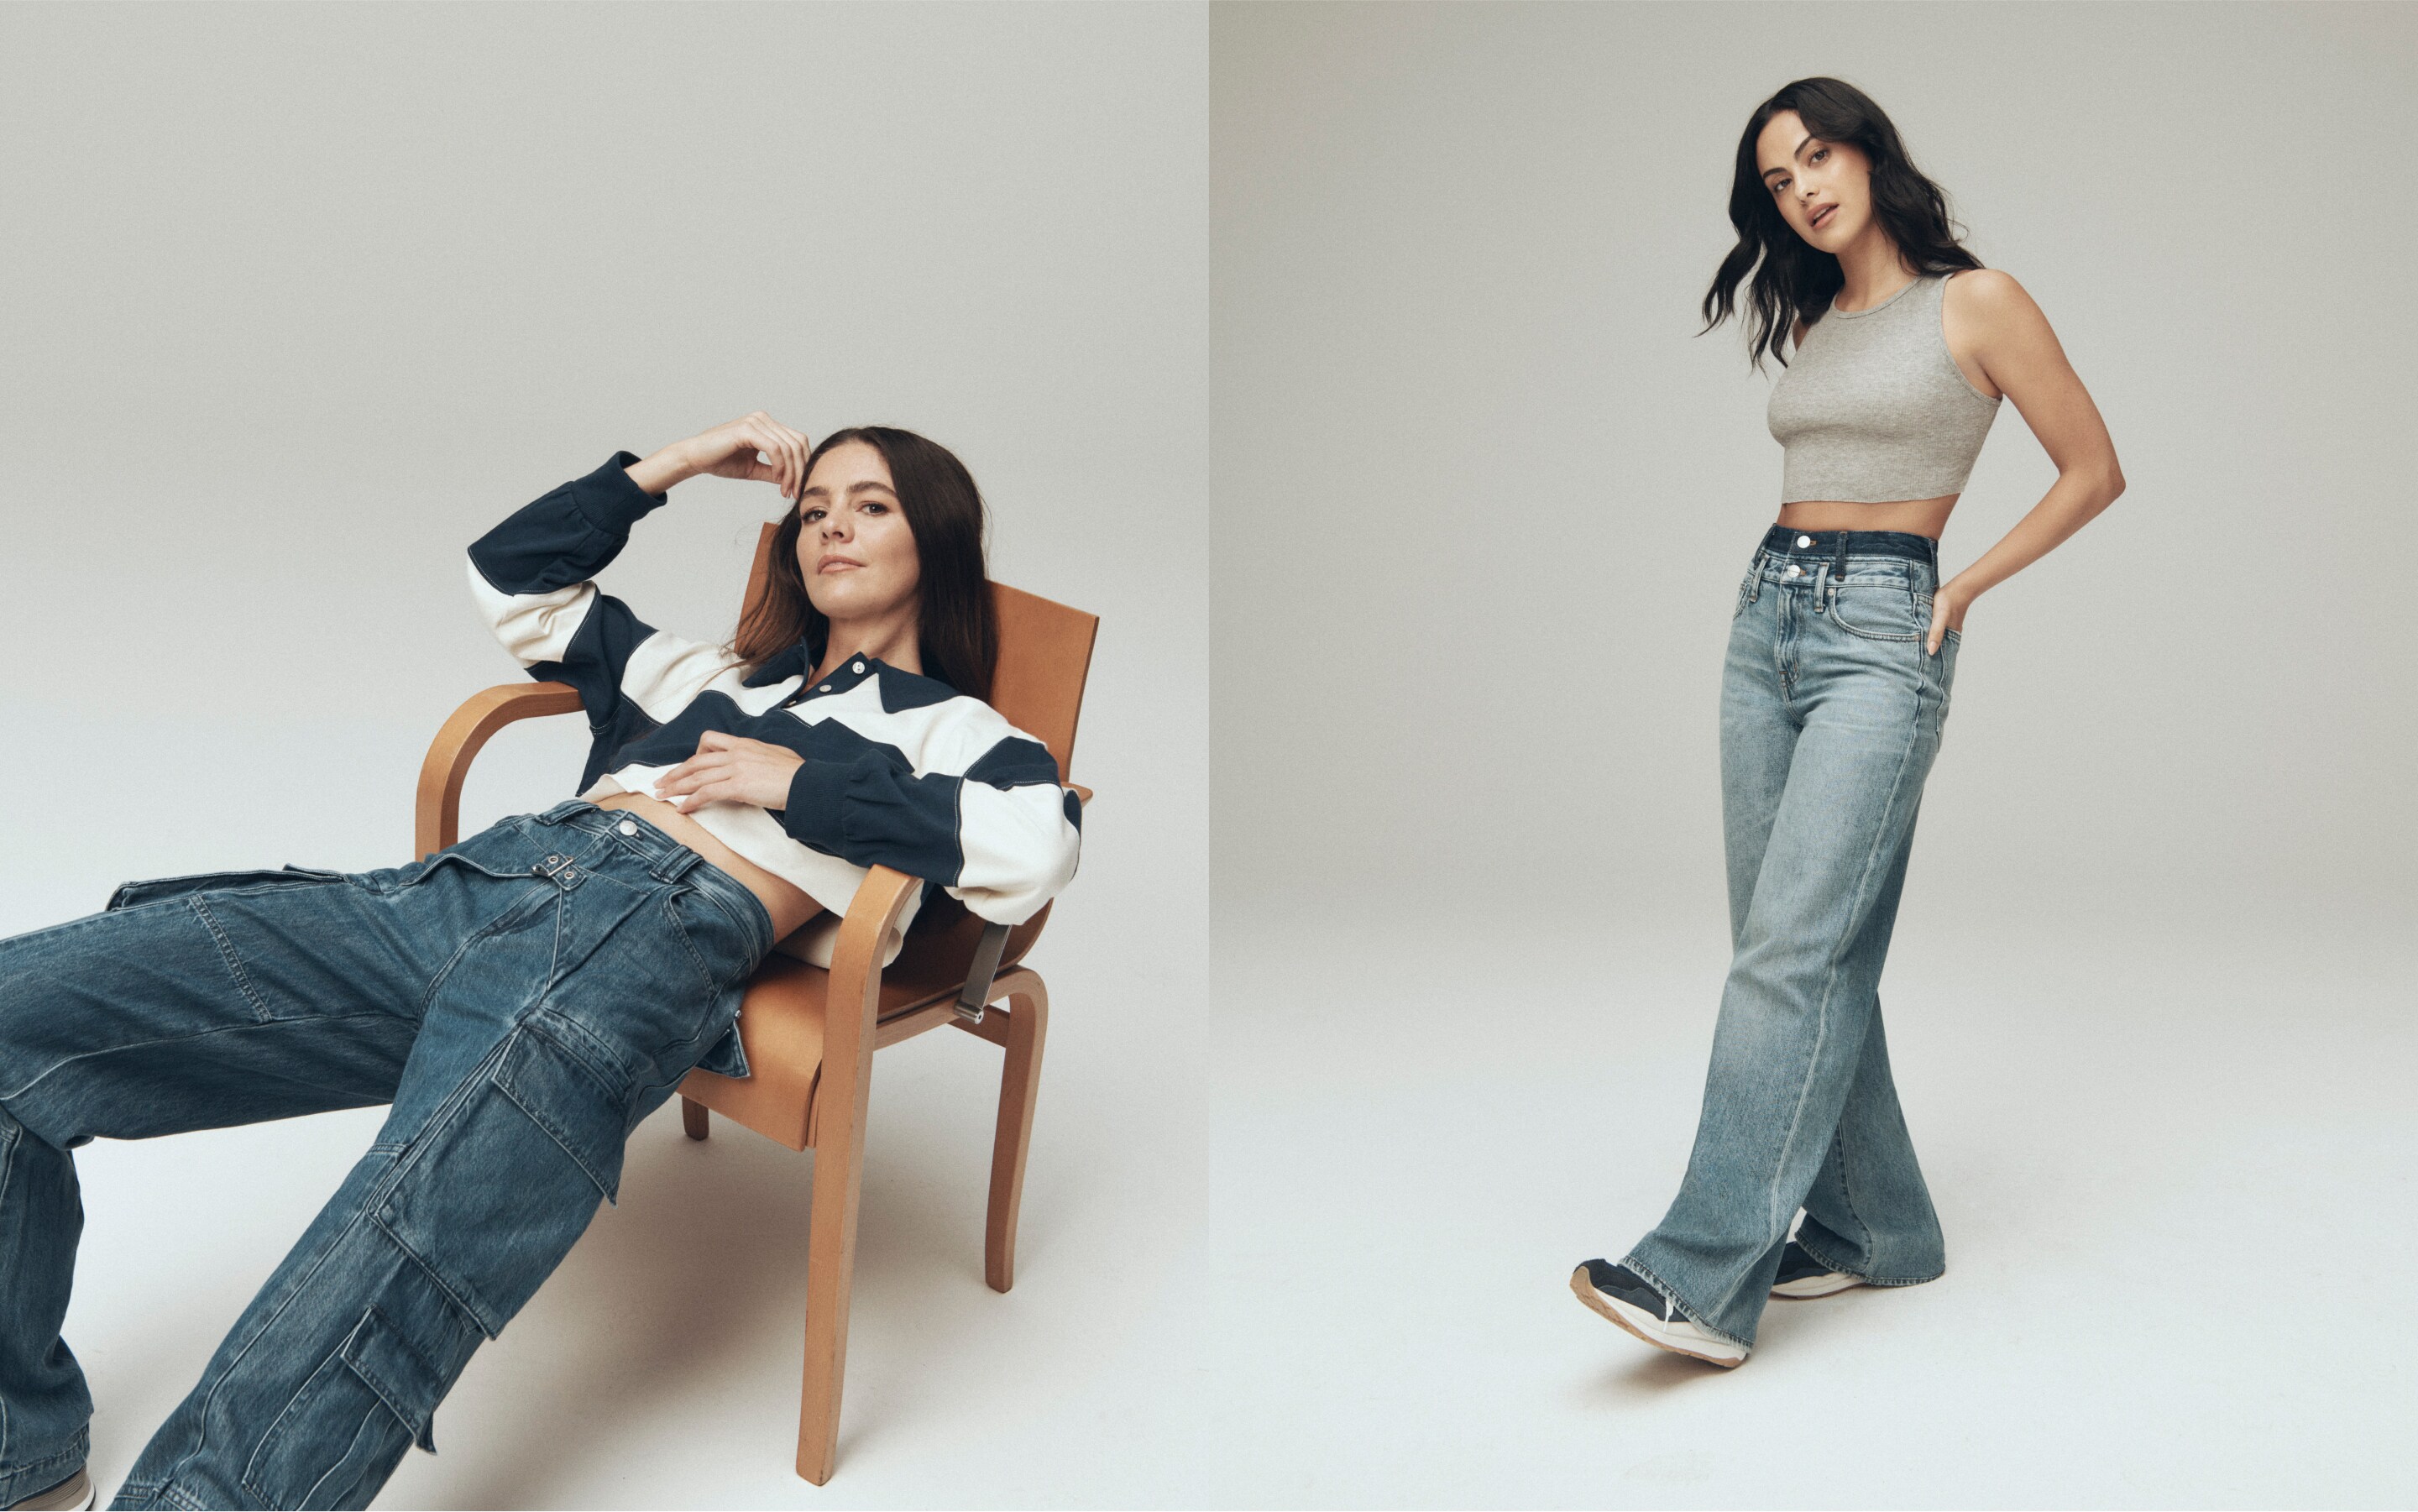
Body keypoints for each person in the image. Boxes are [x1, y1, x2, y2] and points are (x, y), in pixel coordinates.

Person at [0, 415, 1082, 1509]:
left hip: (642, 934)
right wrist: (675, 464)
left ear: (935, 542)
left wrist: (792, 782)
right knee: (18, 1014)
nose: (830, 527)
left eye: (871, 505)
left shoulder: (957, 732)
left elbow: (1038, 846)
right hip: (466, 889)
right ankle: (22, 1451)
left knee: (394, 1236)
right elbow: (511, 576)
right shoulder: (706, 675)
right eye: (813, 509)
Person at [1568, 77, 2124, 1368]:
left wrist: (1967, 582)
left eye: (1817, 156)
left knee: (1793, 952)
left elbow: (2094, 466)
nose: (1803, 189)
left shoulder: (1974, 302)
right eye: (1778, 179)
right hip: (1767, 613)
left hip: (1885, 626)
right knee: (1795, 941)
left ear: (1871, 153)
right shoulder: (1819, 316)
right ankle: (1882, 1224)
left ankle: (1701, 1276)